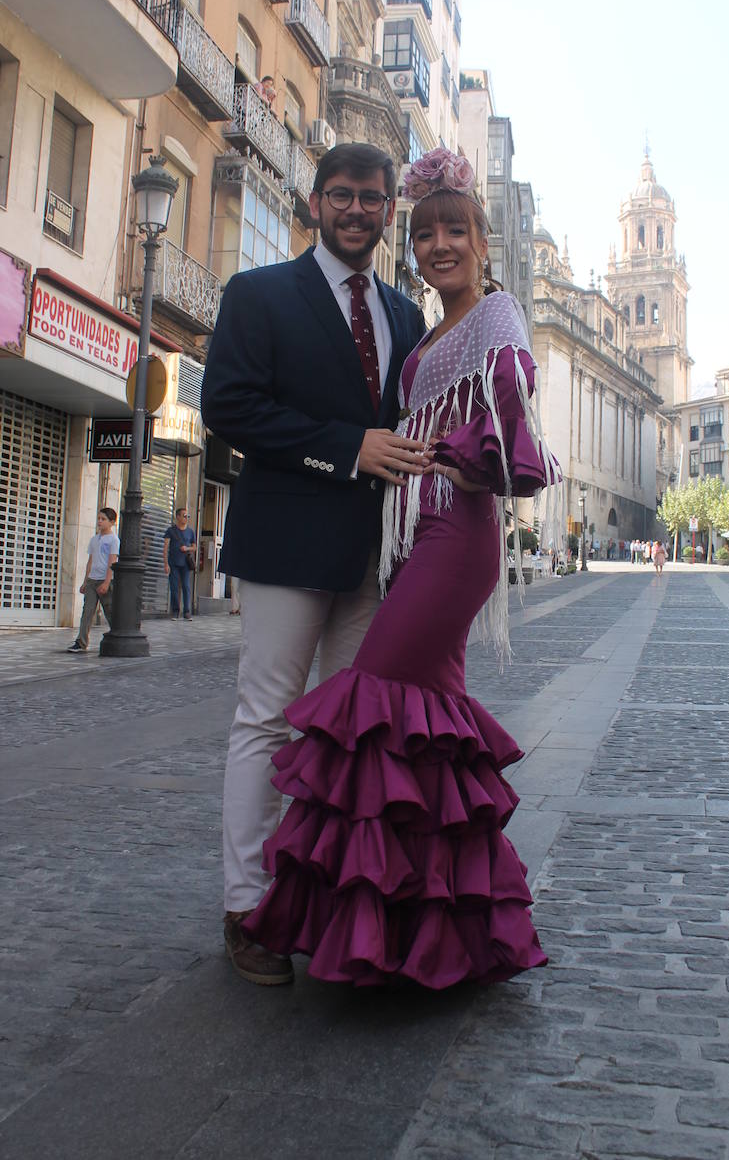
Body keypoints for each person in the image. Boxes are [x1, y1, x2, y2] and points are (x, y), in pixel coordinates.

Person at [241, 148, 562, 989]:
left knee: (371, 703)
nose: (439, 245)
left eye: (455, 230)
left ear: (483, 240)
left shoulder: (493, 317)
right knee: (424, 730)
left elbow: (511, 404)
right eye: (426, 234)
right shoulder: (420, 327)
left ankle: (367, 923)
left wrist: (476, 462)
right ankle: (436, 925)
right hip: (402, 539)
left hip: (454, 536)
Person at [200, 142, 427, 987]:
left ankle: (334, 901)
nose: (356, 210)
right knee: (267, 720)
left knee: (352, 734)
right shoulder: (258, 294)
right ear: (314, 201)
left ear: (388, 209)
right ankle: (247, 907)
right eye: (342, 195)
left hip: (374, 560)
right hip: (286, 547)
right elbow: (228, 406)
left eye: (372, 198)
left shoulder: (404, 315)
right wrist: (346, 449)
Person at [67, 508, 119, 653]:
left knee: (109, 610)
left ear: (112, 522)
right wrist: (85, 581)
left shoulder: (114, 540)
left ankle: (118, 635)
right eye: (99, 518)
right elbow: (90, 561)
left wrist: (107, 582)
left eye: (103, 519)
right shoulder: (94, 539)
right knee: (87, 611)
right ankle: (81, 642)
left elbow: (112, 562)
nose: (100, 522)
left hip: (105, 580)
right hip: (92, 580)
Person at [163, 507, 197, 620]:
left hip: (185, 564)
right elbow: (166, 547)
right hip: (173, 563)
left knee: (186, 587)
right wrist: (165, 563)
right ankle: (175, 611)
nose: (186, 518)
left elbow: (194, 547)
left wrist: (186, 549)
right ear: (177, 517)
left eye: (188, 516)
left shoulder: (190, 532)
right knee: (174, 587)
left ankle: (187, 612)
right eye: (184, 516)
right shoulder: (171, 531)